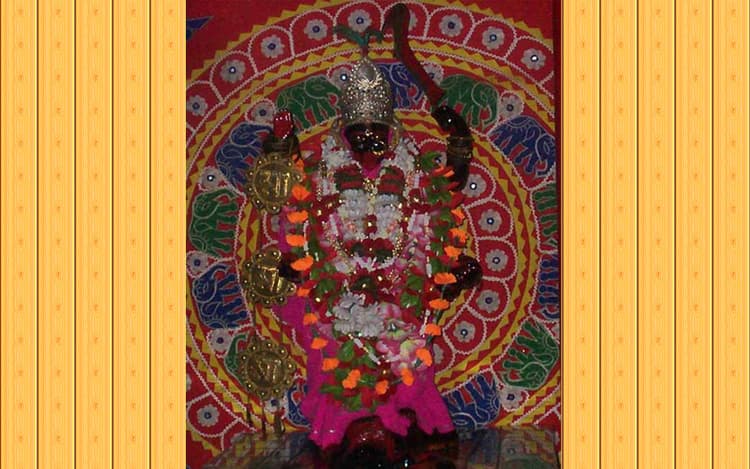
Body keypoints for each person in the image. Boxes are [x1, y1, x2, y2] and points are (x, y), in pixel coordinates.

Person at [268, 4, 482, 457]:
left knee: (407, 359)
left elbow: (446, 193)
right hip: (337, 292)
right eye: (359, 133)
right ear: (343, 136)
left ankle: (400, 421)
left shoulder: (412, 174)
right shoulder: (325, 176)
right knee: (333, 356)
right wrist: (282, 146)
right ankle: (344, 427)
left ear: (391, 134)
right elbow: (295, 201)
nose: (367, 141)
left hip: (401, 289)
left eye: (375, 133)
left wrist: (458, 139)